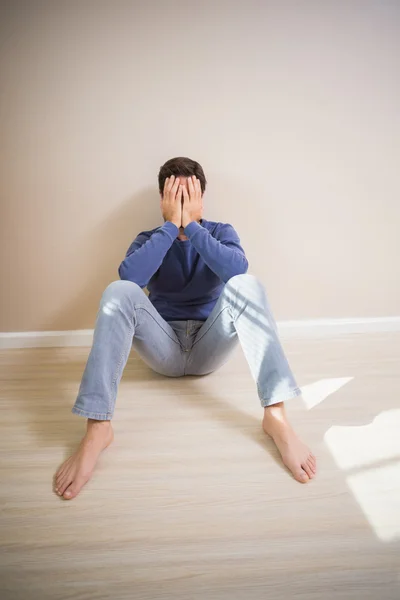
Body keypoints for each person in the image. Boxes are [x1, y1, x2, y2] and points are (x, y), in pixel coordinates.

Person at [55, 157, 316, 500]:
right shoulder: (149, 238)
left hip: (209, 345)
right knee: (118, 291)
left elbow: (236, 271)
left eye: (187, 196)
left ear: (201, 199)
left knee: (248, 285)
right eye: (173, 196)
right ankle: (98, 427)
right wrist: (169, 227)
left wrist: (192, 227)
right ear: (162, 200)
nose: (180, 203)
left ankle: (276, 417)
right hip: (163, 348)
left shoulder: (220, 232)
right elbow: (131, 278)